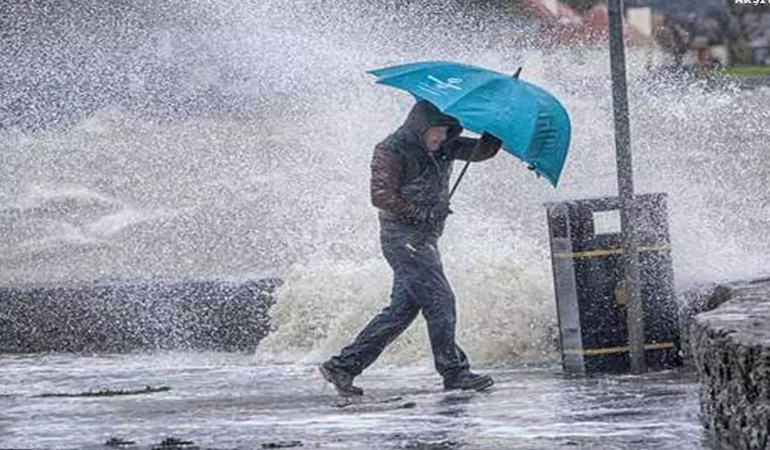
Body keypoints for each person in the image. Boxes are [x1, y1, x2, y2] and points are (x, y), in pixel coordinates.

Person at [319, 100, 502, 396]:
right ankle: (454, 373)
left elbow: (482, 151)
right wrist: (419, 213)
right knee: (441, 300)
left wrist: (495, 127)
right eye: (437, 131)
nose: (441, 138)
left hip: (425, 239)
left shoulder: (446, 146)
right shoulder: (391, 149)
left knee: (401, 310)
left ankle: (343, 366)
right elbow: (380, 195)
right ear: (421, 126)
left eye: (446, 131)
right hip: (402, 238)